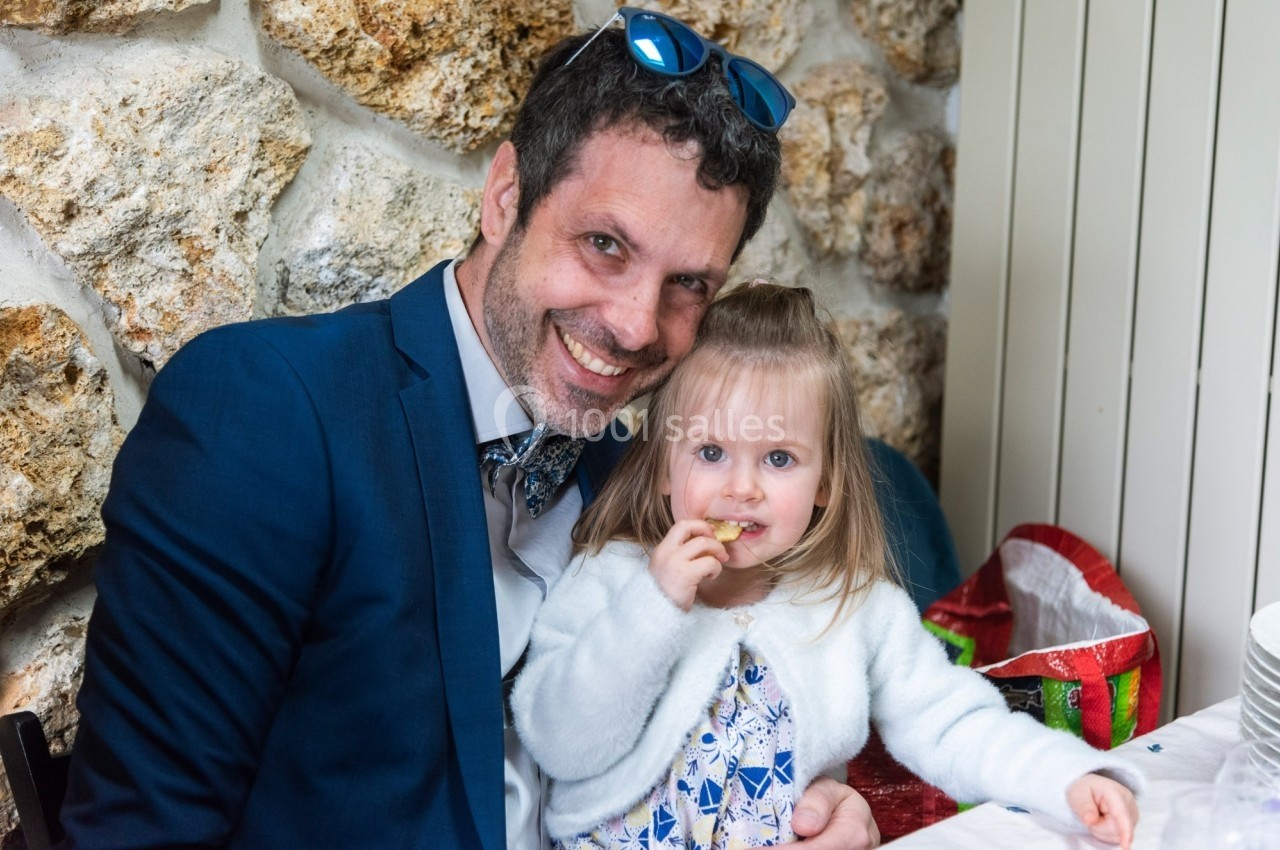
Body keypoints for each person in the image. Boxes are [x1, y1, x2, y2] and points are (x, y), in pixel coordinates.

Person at [55, 10, 879, 850]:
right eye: (604, 244)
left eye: (690, 285)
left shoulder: (645, 480)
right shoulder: (266, 409)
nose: (636, 325)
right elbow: (139, 834)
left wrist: (819, 800)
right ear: (505, 196)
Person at [511, 283, 1143, 850]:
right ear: (662, 468)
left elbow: (954, 722)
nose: (743, 488)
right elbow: (559, 743)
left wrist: (1066, 780)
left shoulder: (856, 606)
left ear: (825, 482)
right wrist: (654, 606)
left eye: (779, 459)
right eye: (710, 451)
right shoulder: (615, 576)